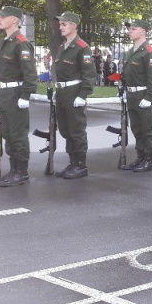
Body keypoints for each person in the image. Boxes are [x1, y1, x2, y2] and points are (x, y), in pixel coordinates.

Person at [0, 6, 38, 187]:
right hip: (4, 94)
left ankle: (22, 172)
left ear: (15, 20)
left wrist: (26, 95)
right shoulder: (3, 43)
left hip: (16, 93)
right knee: (8, 133)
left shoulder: (21, 43)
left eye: (3, 17)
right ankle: (13, 169)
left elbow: (30, 73)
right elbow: (1, 71)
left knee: (18, 134)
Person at [51, 12, 97, 179]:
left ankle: (80, 165)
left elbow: (89, 74)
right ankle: (72, 162)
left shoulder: (82, 47)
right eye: (60, 24)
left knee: (76, 130)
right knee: (65, 129)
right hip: (63, 92)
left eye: (64, 24)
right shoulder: (63, 47)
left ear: (74, 26)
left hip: (74, 92)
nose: (60, 27)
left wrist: (83, 94)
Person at [119, 19, 152, 171]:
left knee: (147, 128)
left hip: (143, 94)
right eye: (130, 29)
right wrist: (123, 90)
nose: (130, 31)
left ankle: (148, 159)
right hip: (131, 95)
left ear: (143, 31)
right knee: (136, 127)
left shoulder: (148, 52)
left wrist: (149, 97)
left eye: (134, 29)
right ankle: (140, 156)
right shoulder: (130, 52)